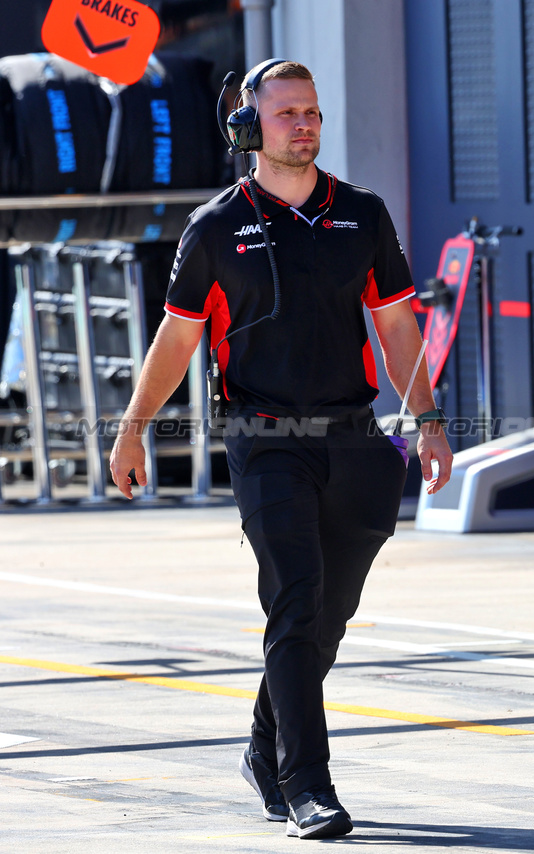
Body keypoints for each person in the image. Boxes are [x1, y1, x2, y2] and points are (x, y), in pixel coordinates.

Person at [108, 59, 452, 840]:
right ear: (249, 128)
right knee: (295, 597)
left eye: (313, 113)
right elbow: (178, 337)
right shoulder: (215, 226)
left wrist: (427, 419)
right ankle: (307, 784)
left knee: (329, 615)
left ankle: (264, 746)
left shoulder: (362, 214)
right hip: (264, 438)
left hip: (355, 437)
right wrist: (132, 425)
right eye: (287, 113)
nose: (303, 126)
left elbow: (398, 326)